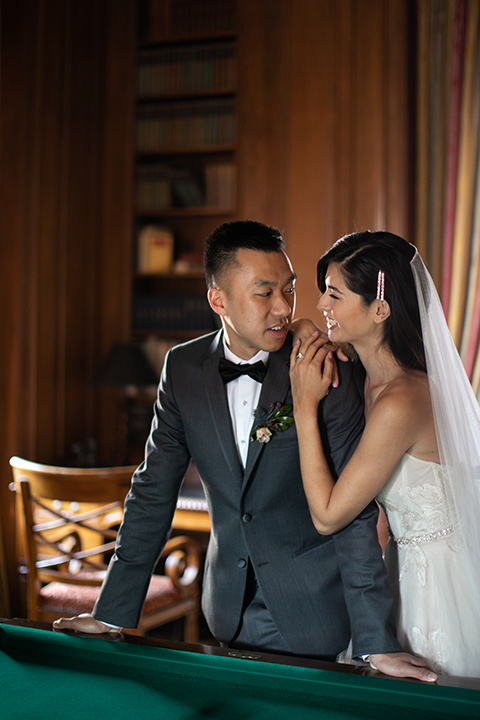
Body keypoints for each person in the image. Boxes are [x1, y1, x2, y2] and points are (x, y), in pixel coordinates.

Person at [54, 221, 435, 681]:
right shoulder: (181, 369)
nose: (283, 308)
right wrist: (111, 613)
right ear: (219, 300)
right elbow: (153, 490)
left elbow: (353, 517)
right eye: (264, 292)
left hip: (315, 616)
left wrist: (375, 643)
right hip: (224, 610)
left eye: (289, 291)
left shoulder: (324, 365)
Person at [290, 230, 480, 678]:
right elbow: (309, 328)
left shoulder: (402, 400)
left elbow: (328, 515)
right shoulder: (365, 377)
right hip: (398, 571)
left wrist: (303, 409)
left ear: (380, 309)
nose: (322, 306)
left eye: (334, 294)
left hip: (440, 585)